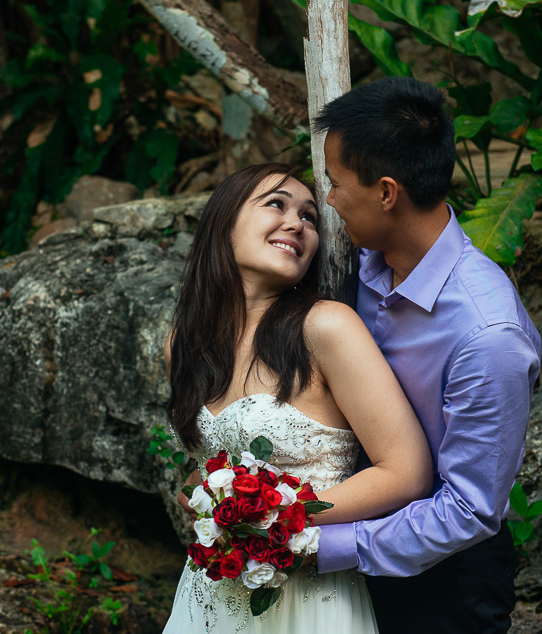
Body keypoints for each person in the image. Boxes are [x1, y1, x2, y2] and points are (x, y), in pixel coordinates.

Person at [312, 77, 542, 633]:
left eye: (337, 183)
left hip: (447, 581)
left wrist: (319, 547)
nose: (330, 199)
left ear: (387, 192)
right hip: (353, 539)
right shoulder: (359, 264)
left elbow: (469, 510)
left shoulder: (487, 336)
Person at [161, 162, 432, 633]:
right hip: (209, 593)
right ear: (224, 221)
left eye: (309, 217)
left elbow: (406, 473)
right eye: (276, 204)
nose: (296, 223)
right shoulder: (184, 342)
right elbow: (207, 467)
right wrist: (204, 499)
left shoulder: (326, 326)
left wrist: (278, 516)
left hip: (306, 595)